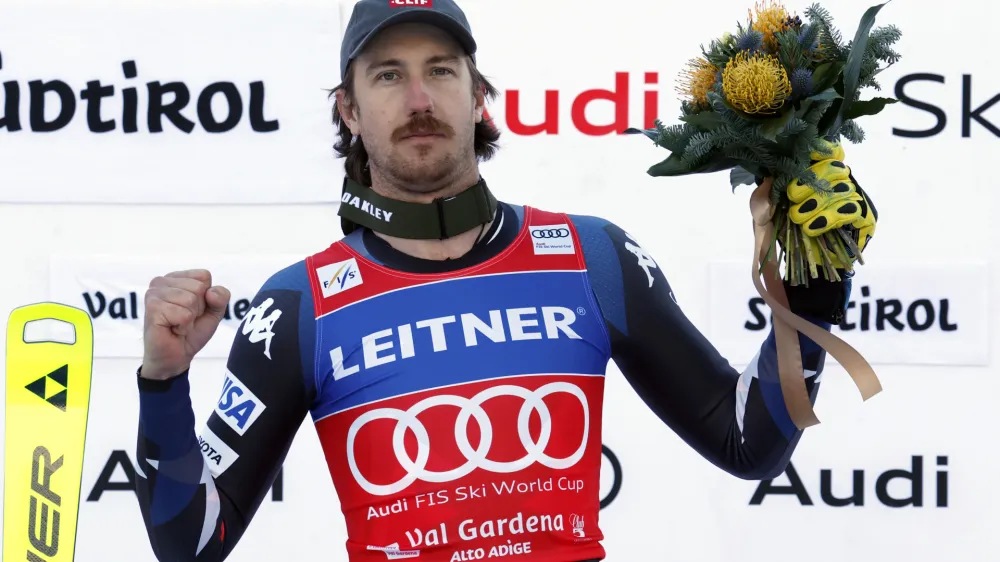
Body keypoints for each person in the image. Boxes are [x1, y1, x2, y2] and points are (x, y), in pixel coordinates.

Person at [132, 1, 878, 561]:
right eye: (388, 75)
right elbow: (189, 543)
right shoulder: (301, 304)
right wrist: (163, 383)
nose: (419, 98)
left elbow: (747, 440)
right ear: (349, 110)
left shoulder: (591, 256)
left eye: (441, 71)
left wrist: (813, 290)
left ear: (479, 96)